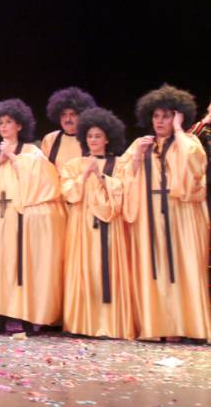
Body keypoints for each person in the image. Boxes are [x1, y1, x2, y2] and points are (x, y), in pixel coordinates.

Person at [0, 99, 66, 335]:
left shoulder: (30, 152)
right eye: (1, 122)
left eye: (9, 122)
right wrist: (0, 159)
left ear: (19, 125)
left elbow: (42, 178)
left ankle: (25, 320)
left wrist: (12, 156)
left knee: (20, 267)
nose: (4, 126)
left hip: (21, 220)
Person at [118, 84, 210, 342]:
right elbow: (122, 180)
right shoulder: (141, 145)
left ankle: (191, 328)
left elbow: (194, 166)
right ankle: (157, 327)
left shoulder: (187, 142)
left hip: (182, 216)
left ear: (178, 117)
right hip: (150, 217)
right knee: (155, 269)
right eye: (156, 116)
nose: (159, 121)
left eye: (167, 116)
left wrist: (180, 129)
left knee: (185, 268)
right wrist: (137, 157)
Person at [61, 107, 136, 339]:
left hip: (110, 226)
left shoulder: (119, 164)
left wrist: (101, 176)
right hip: (82, 226)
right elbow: (68, 193)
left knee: (108, 273)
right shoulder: (74, 164)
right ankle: (82, 324)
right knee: (85, 272)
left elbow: (123, 191)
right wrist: (85, 174)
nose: (93, 140)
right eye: (90, 136)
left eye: (98, 136)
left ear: (107, 139)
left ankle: (110, 325)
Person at [41, 87, 97, 171]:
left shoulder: (91, 139)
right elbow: (43, 170)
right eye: (63, 114)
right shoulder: (50, 139)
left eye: (73, 114)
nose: (68, 119)